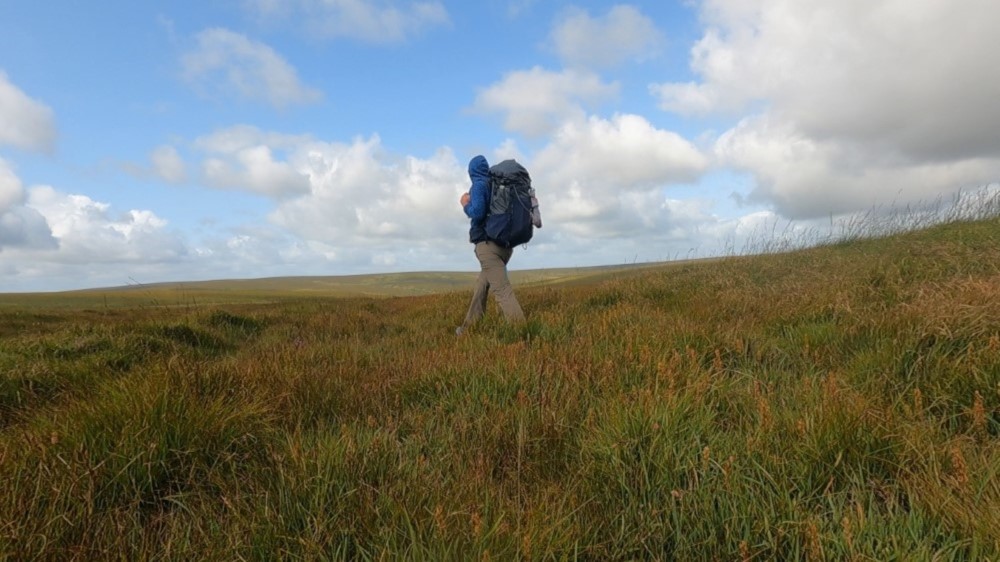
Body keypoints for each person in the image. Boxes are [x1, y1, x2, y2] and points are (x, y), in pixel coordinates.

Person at [456, 155, 525, 335]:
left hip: (488, 246)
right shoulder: (496, 183)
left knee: (502, 290)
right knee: (481, 284)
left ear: (471, 171)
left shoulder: (479, 185)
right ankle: (469, 326)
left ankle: (522, 333)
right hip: (505, 245)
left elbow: (477, 212)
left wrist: (465, 204)